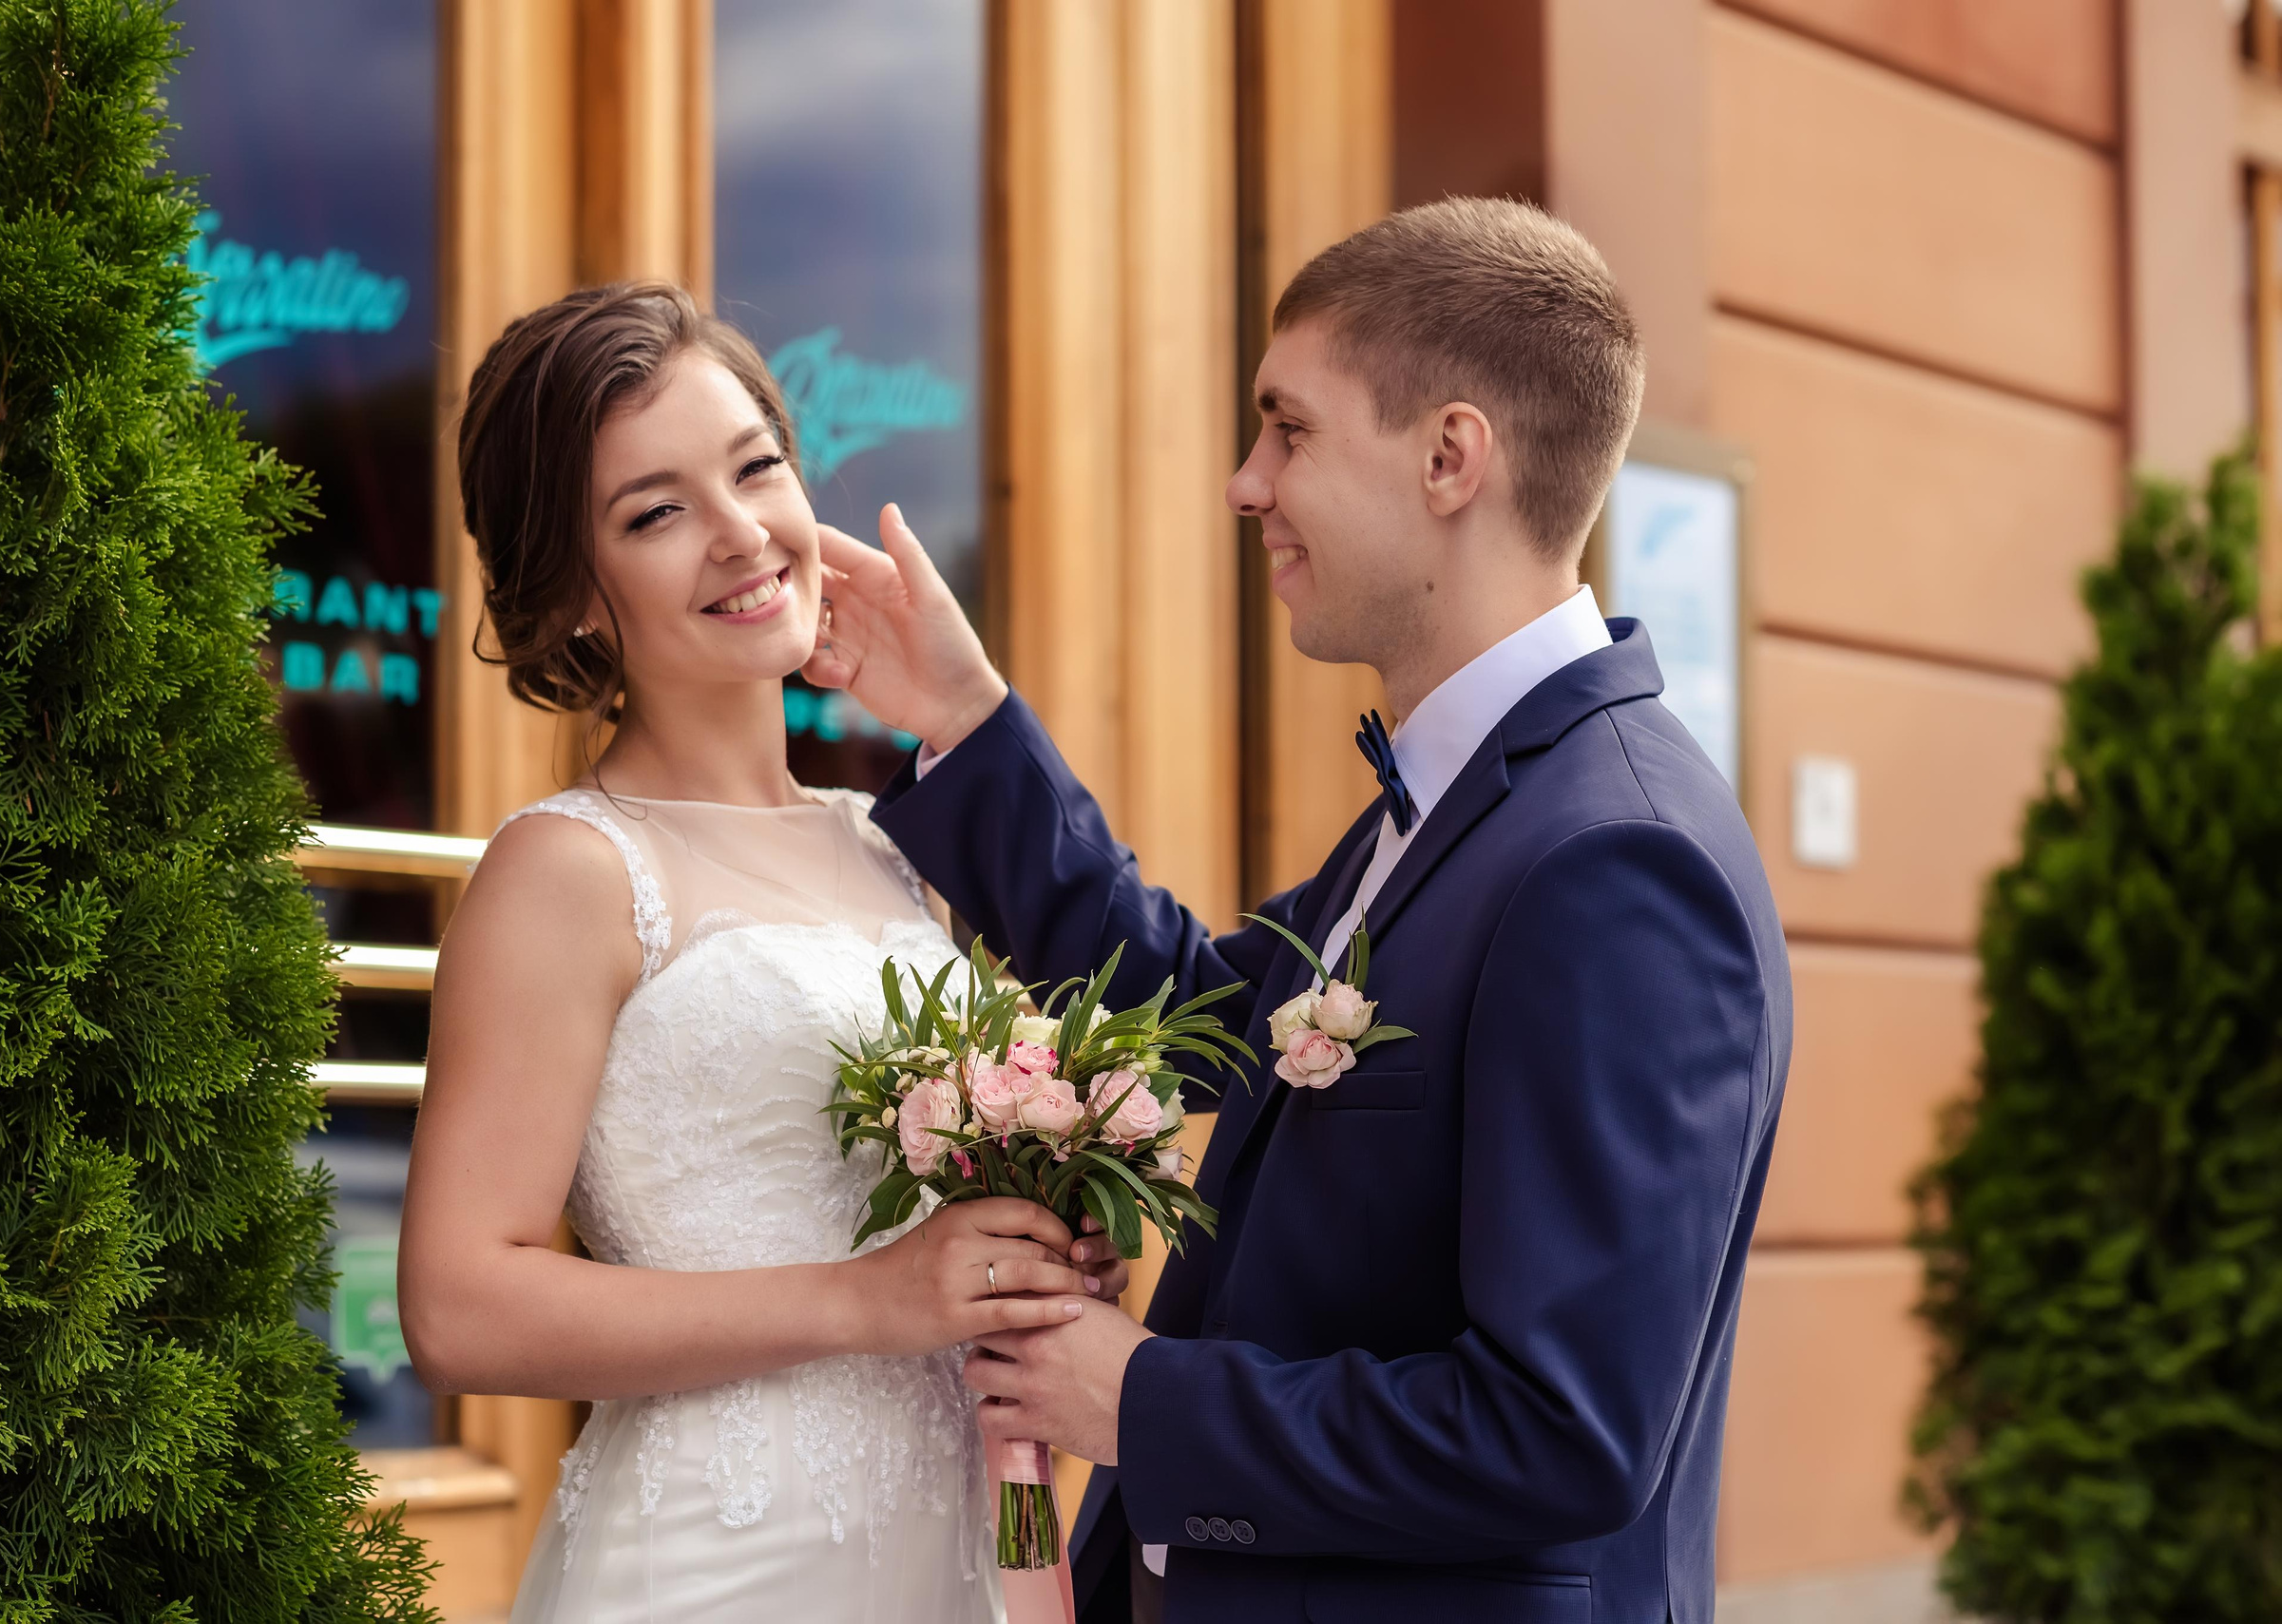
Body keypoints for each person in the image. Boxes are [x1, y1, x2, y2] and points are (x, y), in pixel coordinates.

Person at [804, 198, 1793, 1624]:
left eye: (1290, 429)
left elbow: (1562, 1428)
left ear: (1451, 457)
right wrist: (962, 716)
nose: (1244, 484)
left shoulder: (1617, 863)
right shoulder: (1453, 806)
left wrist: (1140, 1397)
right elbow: (1189, 1014)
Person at [394, 282, 1127, 1624]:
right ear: (570, 601)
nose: (742, 535)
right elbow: (456, 1303)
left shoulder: (890, 845)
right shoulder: (568, 868)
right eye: (656, 512)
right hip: (721, 1566)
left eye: (758, 469)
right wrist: (870, 1298)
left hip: (949, 1547)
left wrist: (1034, 1252)